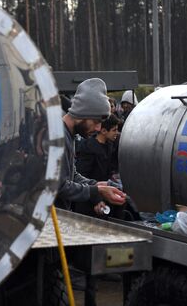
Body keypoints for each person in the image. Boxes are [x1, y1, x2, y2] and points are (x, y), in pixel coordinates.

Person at [58, 78, 126, 306]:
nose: (98, 128)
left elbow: (73, 175)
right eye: (97, 122)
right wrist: (95, 193)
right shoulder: (59, 137)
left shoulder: (71, 136)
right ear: (83, 113)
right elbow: (60, 187)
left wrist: (98, 186)